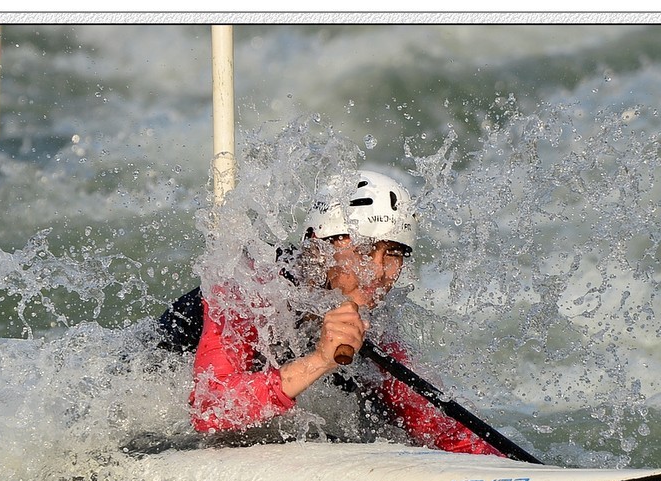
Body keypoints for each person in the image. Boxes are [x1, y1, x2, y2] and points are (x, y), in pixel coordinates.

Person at [158, 169, 503, 457]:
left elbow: (436, 424)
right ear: (317, 247)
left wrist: (507, 471)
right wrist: (321, 360)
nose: (379, 272)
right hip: (158, 426)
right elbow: (210, 411)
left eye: (394, 254)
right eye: (365, 250)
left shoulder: (371, 322)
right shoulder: (248, 286)